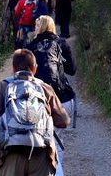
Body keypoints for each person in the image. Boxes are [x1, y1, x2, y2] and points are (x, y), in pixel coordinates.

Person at [0, 49, 70, 176]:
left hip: (11, 154)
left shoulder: (3, 86)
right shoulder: (44, 87)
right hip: (41, 153)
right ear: (35, 69)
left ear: (13, 69)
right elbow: (64, 121)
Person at [28, 16, 76, 176]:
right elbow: (72, 70)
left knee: (40, 141)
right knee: (57, 140)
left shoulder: (30, 46)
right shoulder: (61, 43)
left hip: (37, 101)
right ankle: (57, 170)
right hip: (62, 99)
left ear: (38, 28)